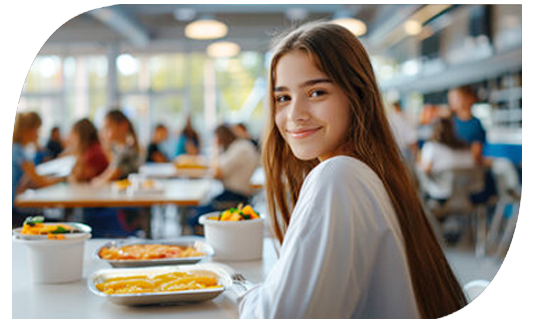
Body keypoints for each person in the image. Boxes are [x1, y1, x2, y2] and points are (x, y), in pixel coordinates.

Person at [238, 22, 467, 319]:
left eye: (317, 92)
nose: (295, 115)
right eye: (283, 98)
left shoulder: (338, 177)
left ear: (357, 96)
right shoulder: (370, 174)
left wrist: (241, 293)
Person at [188, 124, 259, 232]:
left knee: (193, 217)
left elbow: (217, 173)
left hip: (234, 197)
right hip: (237, 195)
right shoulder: (241, 146)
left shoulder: (238, 149)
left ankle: (204, 244)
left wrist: (216, 149)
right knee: (198, 208)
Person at [12, 112, 62, 227]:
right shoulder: (19, 153)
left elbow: (28, 182)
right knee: (59, 221)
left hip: (16, 207)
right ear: (28, 130)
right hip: (14, 211)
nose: (38, 135)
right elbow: (41, 182)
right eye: (38, 130)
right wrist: (62, 178)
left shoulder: (18, 149)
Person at [417, 117, 475, 200]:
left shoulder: (431, 147)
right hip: (467, 195)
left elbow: (425, 170)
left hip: (440, 195)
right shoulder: (465, 148)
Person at [92, 109, 141, 185]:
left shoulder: (127, 152)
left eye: (108, 128)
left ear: (123, 126)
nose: (104, 133)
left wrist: (94, 182)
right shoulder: (117, 149)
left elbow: (109, 177)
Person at [448, 86, 486, 165]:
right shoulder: (449, 122)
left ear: (468, 98)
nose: (451, 101)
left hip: (467, 167)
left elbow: (476, 154)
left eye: (455, 98)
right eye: (450, 98)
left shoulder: (475, 124)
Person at [67, 118, 109, 183]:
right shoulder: (93, 148)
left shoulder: (93, 154)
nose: (70, 139)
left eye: (73, 135)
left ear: (80, 136)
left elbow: (77, 178)